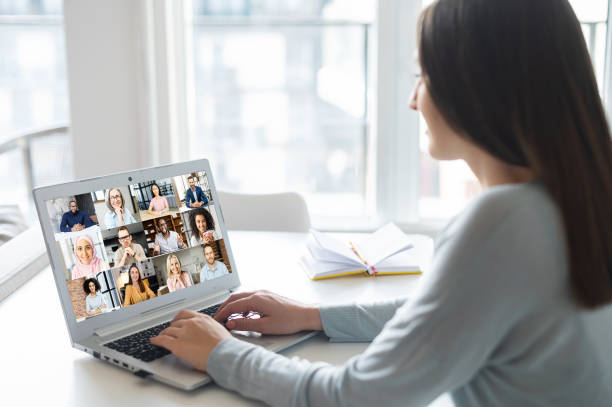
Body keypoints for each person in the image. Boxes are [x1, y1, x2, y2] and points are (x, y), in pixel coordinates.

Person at [151, 1, 612, 405]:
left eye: (423, 76)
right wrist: (312, 317)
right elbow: (445, 314)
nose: (414, 100)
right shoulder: (577, 198)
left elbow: (359, 397)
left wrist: (222, 353)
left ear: (476, 86)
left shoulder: (505, 221)